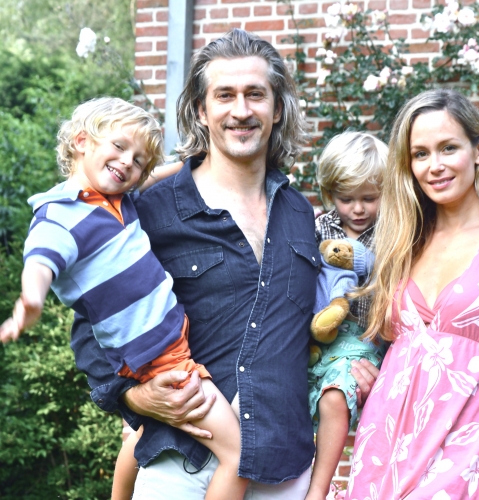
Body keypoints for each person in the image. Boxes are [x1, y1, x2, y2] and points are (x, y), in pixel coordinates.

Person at [68, 29, 380, 500]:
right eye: (225, 95)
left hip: (282, 470)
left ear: (277, 108)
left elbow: (339, 308)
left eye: (256, 94)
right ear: (201, 110)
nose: (241, 110)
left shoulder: (301, 216)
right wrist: (133, 395)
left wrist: (363, 362)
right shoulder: (153, 210)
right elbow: (94, 322)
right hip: (180, 462)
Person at [0, 96, 248, 500]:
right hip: (164, 359)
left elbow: (153, 178)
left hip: (158, 349)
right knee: (238, 455)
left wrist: (201, 159)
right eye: (118, 147)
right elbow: (41, 259)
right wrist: (31, 298)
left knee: (141, 433)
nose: (127, 163)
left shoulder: (116, 200)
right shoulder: (61, 215)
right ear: (82, 141)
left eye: (138, 161)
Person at [345, 88, 479, 499]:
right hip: (383, 451)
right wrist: (359, 368)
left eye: (448, 148)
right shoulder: (403, 245)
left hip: (472, 453)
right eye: (420, 154)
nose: (434, 165)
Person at [306, 131, 388, 500]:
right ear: (329, 193)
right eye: (346, 198)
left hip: (360, 338)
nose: (358, 209)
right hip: (315, 334)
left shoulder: (392, 232)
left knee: (334, 398)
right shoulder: (317, 226)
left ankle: (318, 490)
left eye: (369, 198)